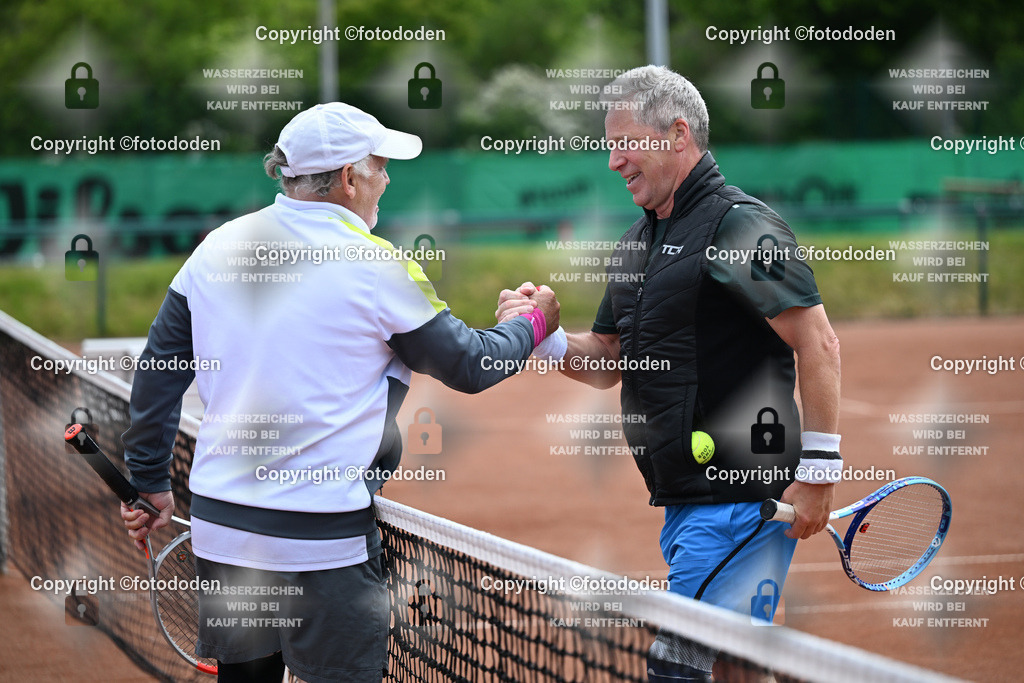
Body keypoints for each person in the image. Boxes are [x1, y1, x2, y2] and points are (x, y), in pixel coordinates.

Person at [119, 102, 558, 683]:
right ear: (349, 179)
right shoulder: (377, 266)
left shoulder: (215, 248)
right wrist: (533, 323)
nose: (388, 179)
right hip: (323, 544)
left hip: (223, 533)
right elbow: (472, 364)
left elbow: (158, 373)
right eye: (379, 166)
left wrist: (149, 480)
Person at [497, 66, 841, 682]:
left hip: (742, 497)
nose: (612, 160)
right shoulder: (637, 243)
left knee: (676, 667)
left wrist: (817, 470)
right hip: (685, 500)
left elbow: (817, 342)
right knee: (738, 665)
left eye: (624, 141)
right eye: (609, 143)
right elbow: (606, 357)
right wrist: (542, 335)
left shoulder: (742, 226)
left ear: (677, 135)